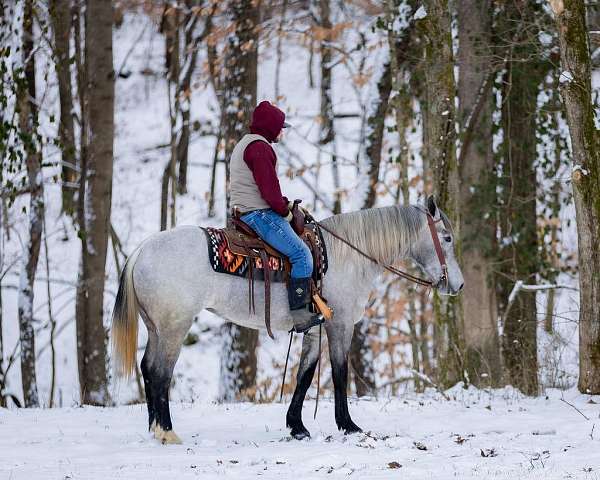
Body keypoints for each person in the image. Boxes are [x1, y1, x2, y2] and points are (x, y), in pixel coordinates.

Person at [230, 101, 324, 333]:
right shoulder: (261, 149)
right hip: (258, 214)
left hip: (248, 209)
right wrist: (286, 211)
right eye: (280, 128)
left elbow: (266, 188)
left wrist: (285, 204)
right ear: (271, 127)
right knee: (301, 254)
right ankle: (300, 315)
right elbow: (269, 193)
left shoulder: (246, 144)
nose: (282, 132)